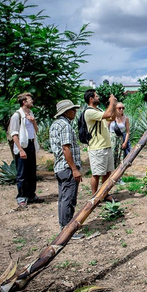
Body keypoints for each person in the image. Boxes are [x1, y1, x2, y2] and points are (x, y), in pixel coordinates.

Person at [49, 99, 84, 239]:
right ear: (65, 112)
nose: (74, 112)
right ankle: (66, 230)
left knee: (63, 198)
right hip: (67, 168)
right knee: (68, 199)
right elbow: (66, 149)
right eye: (72, 110)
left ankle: (64, 226)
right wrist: (74, 169)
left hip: (60, 167)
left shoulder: (56, 125)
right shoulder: (65, 126)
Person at [8, 92, 42, 209]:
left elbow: (36, 131)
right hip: (23, 146)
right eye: (30, 100)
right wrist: (20, 149)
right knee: (22, 173)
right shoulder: (17, 116)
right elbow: (14, 134)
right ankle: (21, 197)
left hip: (31, 144)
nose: (32, 101)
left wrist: (33, 121)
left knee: (32, 172)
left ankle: (31, 195)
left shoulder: (30, 113)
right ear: (24, 102)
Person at [83, 89, 117, 195]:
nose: (98, 97)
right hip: (97, 148)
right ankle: (94, 196)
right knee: (97, 174)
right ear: (91, 99)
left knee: (107, 172)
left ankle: (104, 194)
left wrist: (114, 105)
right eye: (96, 96)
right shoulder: (89, 112)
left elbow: (112, 117)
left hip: (106, 146)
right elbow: (107, 115)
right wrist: (111, 101)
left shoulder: (98, 110)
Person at [108, 102, 131, 184]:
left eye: (123, 108)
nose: (121, 109)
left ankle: (119, 178)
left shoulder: (126, 118)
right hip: (112, 139)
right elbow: (106, 128)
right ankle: (110, 178)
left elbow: (128, 131)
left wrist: (125, 142)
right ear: (115, 109)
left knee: (120, 159)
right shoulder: (111, 118)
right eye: (119, 108)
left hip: (121, 139)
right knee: (112, 158)